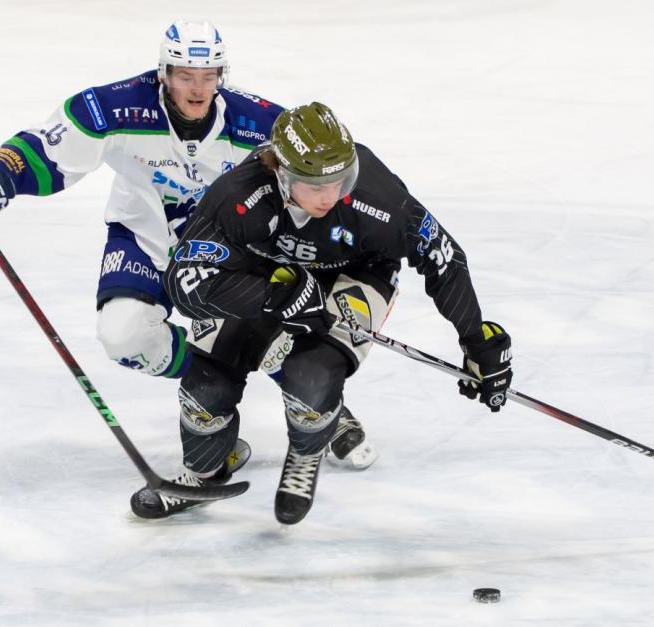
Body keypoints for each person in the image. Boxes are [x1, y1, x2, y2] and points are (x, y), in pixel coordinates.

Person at [0, 24, 379, 483]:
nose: (198, 88)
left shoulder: (258, 122)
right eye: (186, 75)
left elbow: (321, 176)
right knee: (124, 335)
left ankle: (313, 400)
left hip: (231, 252)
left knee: (270, 330)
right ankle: (211, 387)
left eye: (209, 76)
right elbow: (46, 150)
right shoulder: (118, 106)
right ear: (164, 72)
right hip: (145, 240)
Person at [134, 102, 513, 524]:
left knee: (311, 383)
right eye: (314, 186)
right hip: (269, 276)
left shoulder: (375, 195)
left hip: (355, 274)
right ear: (280, 172)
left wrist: (476, 337)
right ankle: (203, 474)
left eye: (339, 180)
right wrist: (271, 295)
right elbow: (185, 283)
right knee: (206, 395)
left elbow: (441, 255)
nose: (330, 197)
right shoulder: (239, 195)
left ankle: (307, 447)